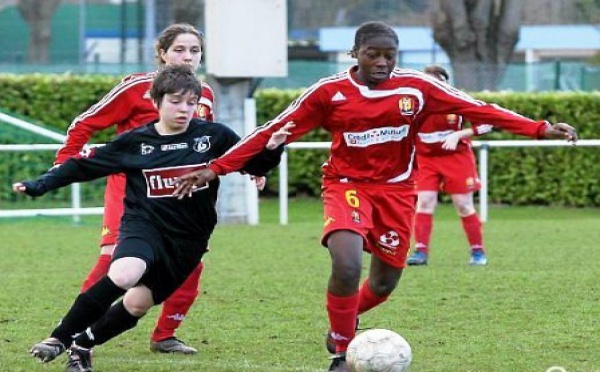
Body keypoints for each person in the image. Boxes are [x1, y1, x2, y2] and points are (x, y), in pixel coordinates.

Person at [171, 21, 577, 371]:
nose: (382, 63)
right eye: (373, 55)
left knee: (383, 284)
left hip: (398, 193)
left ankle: (342, 322)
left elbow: (481, 109)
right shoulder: (328, 92)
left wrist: (540, 128)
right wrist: (216, 167)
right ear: (356, 54)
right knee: (346, 264)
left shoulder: (419, 88)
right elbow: (272, 130)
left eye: (389, 56)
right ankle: (342, 349)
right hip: (346, 186)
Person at [14, 65, 284, 372]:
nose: (184, 109)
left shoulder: (214, 136)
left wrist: (274, 148)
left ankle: (83, 345)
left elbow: (254, 161)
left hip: (189, 239)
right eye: (175, 102)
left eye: (191, 103)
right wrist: (40, 185)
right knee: (125, 272)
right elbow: (81, 166)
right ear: (156, 102)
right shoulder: (135, 142)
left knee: (137, 304)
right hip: (144, 225)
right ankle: (59, 338)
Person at [54, 23, 216, 354]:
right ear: (162, 53)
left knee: (191, 265)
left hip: (177, 193)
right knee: (112, 259)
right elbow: (85, 123)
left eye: (194, 50)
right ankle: (74, 328)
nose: (187, 57)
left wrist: (246, 169)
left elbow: (207, 142)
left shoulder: (205, 93)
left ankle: (165, 336)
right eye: (179, 50)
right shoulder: (136, 87)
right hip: (130, 188)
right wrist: (64, 161)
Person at [406, 65, 491, 266]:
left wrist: (459, 134)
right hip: (427, 160)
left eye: (436, 82)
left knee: (463, 204)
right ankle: (420, 252)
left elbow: (488, 123)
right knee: (424, 202)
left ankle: (478, 252)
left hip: (457, 158)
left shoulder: (458, 101)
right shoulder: (414, 105)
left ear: (444, 84)